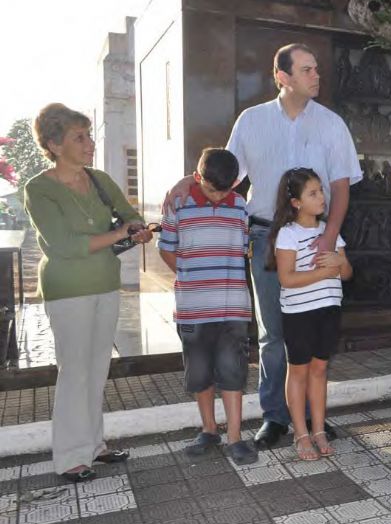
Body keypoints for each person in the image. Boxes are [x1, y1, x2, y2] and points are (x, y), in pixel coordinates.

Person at [162, 43, 361, 449]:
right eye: (306, 70)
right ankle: (275, 417)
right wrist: (187, 184)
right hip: (266, 237)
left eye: (316, 68)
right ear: (282, 77)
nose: (316, 75)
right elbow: (226, 176)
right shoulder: (251, 122)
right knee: (274, 333)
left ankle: (311, 416)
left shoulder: (331, 124)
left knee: (313, 331)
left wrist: (329, 237)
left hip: (315, 237)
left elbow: (340, 187)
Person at [25, 103, 154, 481]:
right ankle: (69, 457)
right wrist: (120, 233)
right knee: (74, 371)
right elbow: (64, 245)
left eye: (89, 135)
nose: (89, 143)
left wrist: (136, 227)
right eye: (78, 137)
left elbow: (129, 212)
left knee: (97, 369)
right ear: (53, 143)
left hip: (105, 284)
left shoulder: (98, 179)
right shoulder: (39, 188)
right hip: (67, 289)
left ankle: (95, 446)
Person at [158, 148, 258, 465]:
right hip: (193, 306)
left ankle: (235, 437)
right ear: (197, 177)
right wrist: (192, 276)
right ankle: (209, 429)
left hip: (234, 307)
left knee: (233, 371)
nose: (219, 196)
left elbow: (243, 248)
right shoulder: (178, 204)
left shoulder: (240, 205)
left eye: (226, 190)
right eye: (213, 189)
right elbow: (166, 249)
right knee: (200, 372)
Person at [268, 168, 352, 460]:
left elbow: (347, 273)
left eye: (321, 191)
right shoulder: (287, 234)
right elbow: (287, 279)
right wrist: (324, 272)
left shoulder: (330, 231)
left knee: (319, 371)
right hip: (299, 314)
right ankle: (300, 434)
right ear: (296, 203)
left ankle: (318, 430)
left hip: (328, 310)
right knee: (299, 371)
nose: (321, 198)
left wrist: (338, 263)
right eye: (313, 193)